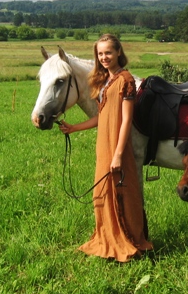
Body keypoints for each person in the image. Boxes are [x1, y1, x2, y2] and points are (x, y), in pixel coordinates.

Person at [59, 34, 152, 262]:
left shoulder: (125, 80)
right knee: (102, 192)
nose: (104, 57)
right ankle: (107, 234)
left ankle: (129, 239)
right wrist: (74, 128)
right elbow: (102, 116)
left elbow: (126, 120)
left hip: (117, 146)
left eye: (108, 52)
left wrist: (119, 154)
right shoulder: (106, 81)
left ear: (118, 52)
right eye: (100, 54)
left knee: (122, 192)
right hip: (104, 145)